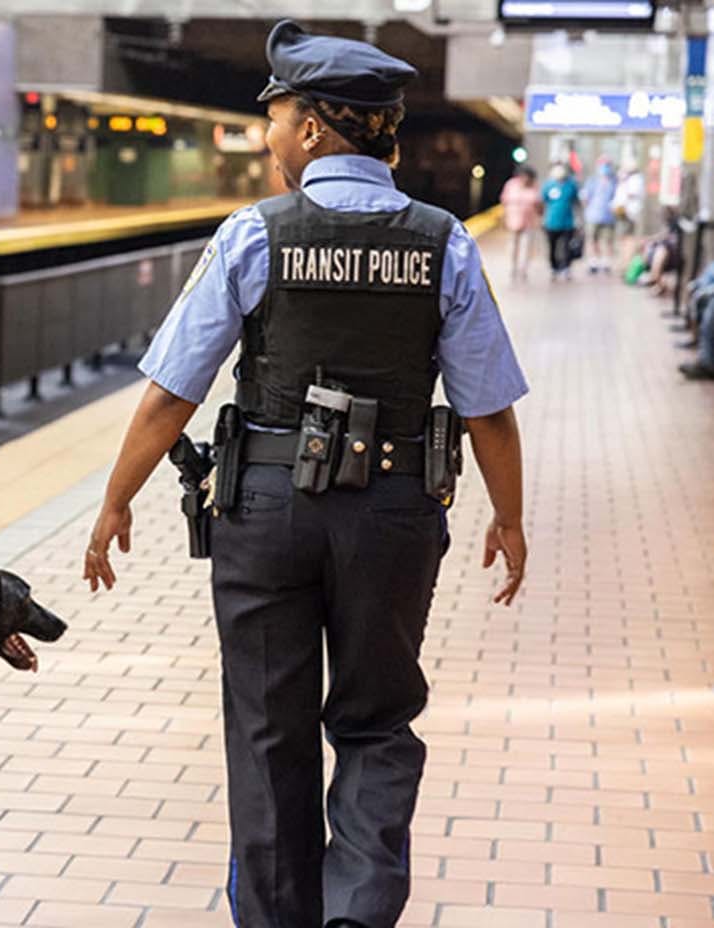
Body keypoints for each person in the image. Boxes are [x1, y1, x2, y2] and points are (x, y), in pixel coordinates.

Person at [82, 21, 528, 928]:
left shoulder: (254, 235)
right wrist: (509, 520)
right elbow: (488, 410)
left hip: (266, 511)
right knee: (375, 721)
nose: (270, 136)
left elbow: (175, 390)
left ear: (318, 129)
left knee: (268, 731)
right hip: (396, 511)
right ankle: (358, 914)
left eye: (277, 118)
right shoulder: (441, 242)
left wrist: (114, 498)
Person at [541, 163, 581, 280]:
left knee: (566, 246)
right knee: (552, 246)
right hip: (551, 222)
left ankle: (566, 267)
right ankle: (554, 267)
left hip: (567, 222)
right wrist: (542, 219)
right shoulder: (548, 185)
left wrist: (578, 220)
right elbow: (543, 202)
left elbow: (576, 202)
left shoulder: (571, 185)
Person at [500, 164, 540, 281]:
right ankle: (513, 267)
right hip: (513, 220)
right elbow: (504, 201)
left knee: (526, 246)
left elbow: (538, 203)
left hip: (529, 221)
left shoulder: (534, 187)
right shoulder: (511, 185)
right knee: (513, 245)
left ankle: (523, 269)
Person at [582, 161, 619, 274]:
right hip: (593, 216)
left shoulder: (614, 182)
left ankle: (606, 262)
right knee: (593, 239)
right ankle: (594, 261)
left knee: (608, 240)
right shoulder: (592, 181)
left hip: (608, 216)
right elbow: (585, 197)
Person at [614, 160, 647, 256]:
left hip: (630, 212)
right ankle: (624, 256)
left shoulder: (636, 179)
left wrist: (623, 182)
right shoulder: (629, 178)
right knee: (623, 236)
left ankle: (627, 257)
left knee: (628, 237)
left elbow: (631, 193)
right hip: (623, 211)